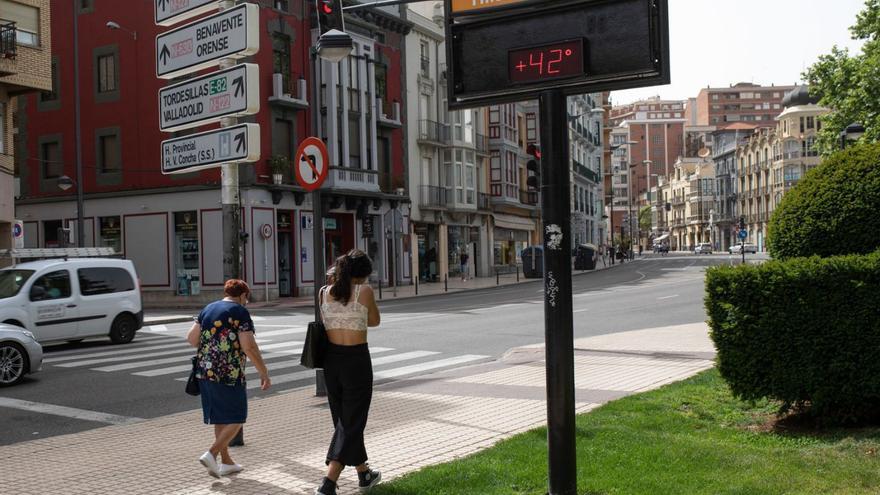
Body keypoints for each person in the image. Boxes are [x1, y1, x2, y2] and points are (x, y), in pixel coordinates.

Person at [186, 279, 271, 478]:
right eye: (246, 297)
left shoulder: (208, 308)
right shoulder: (240, 312)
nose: (246, 301)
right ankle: (212, 453)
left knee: (220, 417)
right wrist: (263, 372)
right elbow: (248, 346)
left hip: (204, 371)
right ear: (242, 295)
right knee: (237, 416)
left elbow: (191, 339)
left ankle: (226, 462)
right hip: (229, 373)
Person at [316, 249, 382, 495]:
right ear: (362, 274)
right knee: (352, 421)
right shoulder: (363, 292)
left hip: (332, 361)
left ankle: (364, 473)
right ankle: (328, 482)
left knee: (344, 419)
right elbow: (374, 321)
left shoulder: (324, 293)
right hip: (356, 360)